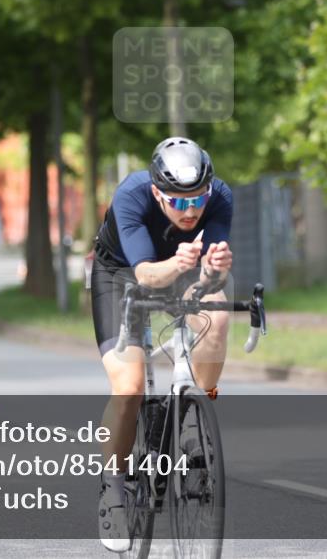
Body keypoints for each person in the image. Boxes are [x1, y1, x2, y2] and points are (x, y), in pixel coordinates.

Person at [90, 137, 233, 551]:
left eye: (198, 201)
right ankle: (114, 488)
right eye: (179, 202)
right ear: (157, 192)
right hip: (122, 275)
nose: (192, 211)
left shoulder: (219, 195)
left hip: (183, 265)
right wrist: (181, 263)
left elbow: (211, 278)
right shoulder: (132, 195)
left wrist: (213, 272)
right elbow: (148, 275)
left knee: (218, 315)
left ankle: (195, 416)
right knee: (129, 387)